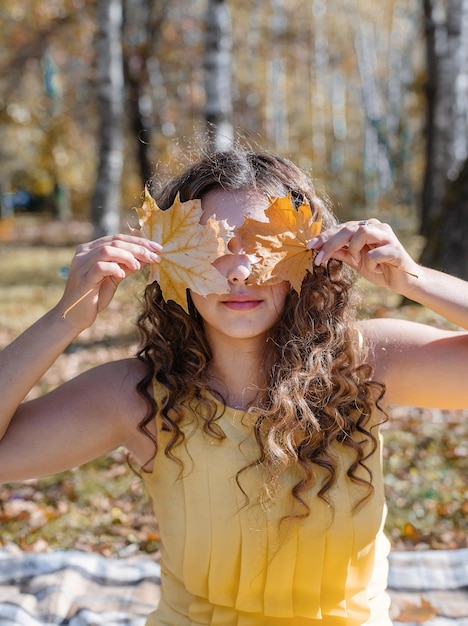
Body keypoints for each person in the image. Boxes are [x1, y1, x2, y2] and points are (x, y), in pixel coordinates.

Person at [0, 149, 467, 626]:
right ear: (168, 259)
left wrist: (416, 280)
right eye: (210, 245)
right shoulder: (137, 394)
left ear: (310, 254)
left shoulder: (365, 363)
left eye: (264, 242)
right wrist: (66, 318)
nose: (240, 270)